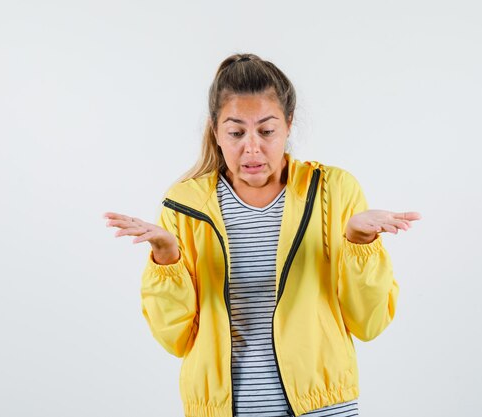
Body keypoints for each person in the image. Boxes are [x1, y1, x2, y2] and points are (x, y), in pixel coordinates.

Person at [104, 53, 421, 417]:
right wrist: (166, 257)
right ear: (215, 130)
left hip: (323, 408)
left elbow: (369, 322)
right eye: (236, 132)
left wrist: (359, 244)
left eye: (267, 131)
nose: (252, 147)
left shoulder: (334, 190)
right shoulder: (183, 204)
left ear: (288, 125)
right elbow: (172, 338)